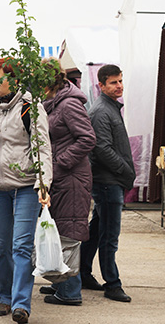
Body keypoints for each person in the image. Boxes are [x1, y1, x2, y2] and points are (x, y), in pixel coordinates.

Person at [0, 58, 52, 323]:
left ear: (15, 79)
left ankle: (21, 304)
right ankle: (4, 297)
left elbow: (42, 147)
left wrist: (43, 184)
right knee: (1, 246)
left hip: (24, 187)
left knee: (21, 246)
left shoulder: (30, 108)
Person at [38, 58, 96, 306]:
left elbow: (87, 138)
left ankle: (71, 291)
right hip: (62, 177)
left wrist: (60, 160)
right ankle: (62, 284)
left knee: (69, 232)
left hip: (71, 177)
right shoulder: (52, 102)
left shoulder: (69, 104)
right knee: (59, 229)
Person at [80, 64, 135, 303]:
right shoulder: (102, 111)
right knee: (109, 237)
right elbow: (101, 149)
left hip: (110, 181)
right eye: (113, 82)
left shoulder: (110, 108)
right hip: (107, 182)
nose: (119, 85)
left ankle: (82, 273)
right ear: (100, 85)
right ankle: (112, 284)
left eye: (120, 80)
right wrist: (126, 172)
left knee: (96, 231)